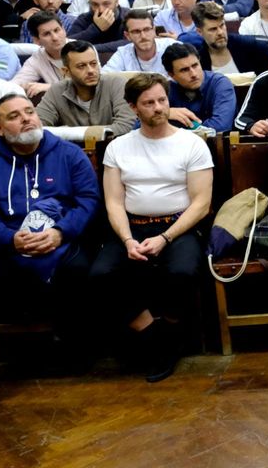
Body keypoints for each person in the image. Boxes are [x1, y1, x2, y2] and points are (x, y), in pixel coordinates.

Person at [0, 94, 100, 413]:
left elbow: (88, 200)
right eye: (14, 116)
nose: (26, 119)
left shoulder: (69, 155)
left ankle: (76, 351)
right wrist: (9, 239)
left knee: (82, 270)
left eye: (29, 112)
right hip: (5, 244)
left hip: (60, 240)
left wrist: (60, 232)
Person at [91, 73, 213, 382]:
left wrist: (165, 237)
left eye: (162, 100)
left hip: (178, 225)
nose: (158, 107)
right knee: (101, 275)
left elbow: (201, 203)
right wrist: (127, 240)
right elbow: (114, 202)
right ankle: (155, 337)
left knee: (183, 271)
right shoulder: (119, 147)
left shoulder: (191, 144)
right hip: (132, 226)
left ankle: (170, 333)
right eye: (148, 103)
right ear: (133, 107)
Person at [35, 40, 136, 136]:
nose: (91, 70)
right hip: (72, 147)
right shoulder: (56, 91)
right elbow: (38, 127)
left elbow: (125, 125)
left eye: (93, 64)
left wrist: (77, 134)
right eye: (81, 66)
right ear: (66, 71)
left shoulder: (116, 84)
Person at [162, 42, 236, 133]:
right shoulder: (167, 89)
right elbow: (145, 124)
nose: (193, 74)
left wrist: (177, 128)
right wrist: (165, 113)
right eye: (184, 70)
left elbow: (221, 126)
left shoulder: (220, 83)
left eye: (195, 65)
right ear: (171, 75)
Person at [186, 1, 268, 75]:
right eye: (213, 29)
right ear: (200, 32)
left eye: (222, 25)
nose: (220, 32)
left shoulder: (251, 47)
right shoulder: (198, 60)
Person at [14, 10, 70, 97]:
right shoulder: (37, 59)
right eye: (47, 34)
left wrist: (50, 87)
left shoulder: (83, 49)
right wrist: (24, 86)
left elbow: (88, 85)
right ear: (37, 40)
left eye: (57, 30)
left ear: (63, 29)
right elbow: (13, 86)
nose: (55, 38)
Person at [103, 10, 176, 74]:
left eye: (147, 29)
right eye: (136, 31)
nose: (143, 36)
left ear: (154, 30)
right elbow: (104, 77)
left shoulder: (171, 46)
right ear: (127, 35)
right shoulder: (123, 54)